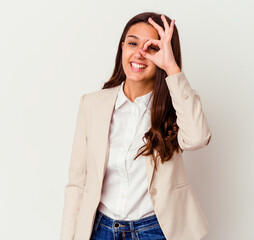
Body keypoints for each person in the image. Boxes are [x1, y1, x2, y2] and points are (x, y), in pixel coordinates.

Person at [60, 12, 212, 240]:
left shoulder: (178, 104)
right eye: (132, 43)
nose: (139, 53)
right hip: (100, 230)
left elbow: (198, 138)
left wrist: (171, 68)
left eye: (152, 48)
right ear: (122, 47)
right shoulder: (92, 104)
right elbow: (78, 183)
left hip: (155, 230)